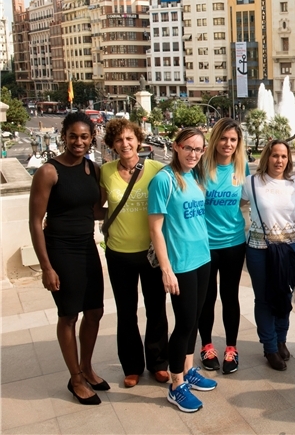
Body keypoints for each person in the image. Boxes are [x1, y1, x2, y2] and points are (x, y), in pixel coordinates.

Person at [29, 112, 107, 405]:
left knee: (95, 311)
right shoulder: (49, 172)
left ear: (91, 138)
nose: (78, 141)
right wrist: (46, 267)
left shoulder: (94, 169)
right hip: (61, 250)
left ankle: (86, 367)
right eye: (73, 136)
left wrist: (134, 213)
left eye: (84, 137)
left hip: (87, 247)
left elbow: (96, 211)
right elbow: (36, 221)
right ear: (64, 136)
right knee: (69, 315)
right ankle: (75, 379)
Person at [148, 128, 217, 413]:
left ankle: (188, 370)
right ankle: (176, 385)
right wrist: (166, 269)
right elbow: (155, 228)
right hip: (181, 264)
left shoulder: (196, 176)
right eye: (188, 148)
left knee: (196, 318)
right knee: (184, 323)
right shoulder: (163, 180)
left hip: (202, 258)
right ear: (176, 147)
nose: (193, 154)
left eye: (198, 150)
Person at [99, 119, 169, 388]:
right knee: (126, 312)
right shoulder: (105, 172)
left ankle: (158, 363)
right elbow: (96, 206)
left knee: (156, 309)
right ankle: (132, 366)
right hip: (119, 253)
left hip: (151, 253)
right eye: (119, 140)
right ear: (112, 145)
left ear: (139, 140)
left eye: (129, 138)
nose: (125, 144)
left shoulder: (156, 169)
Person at [242, 140, 295, 371]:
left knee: (285, 296)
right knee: (265, 299)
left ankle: (281, 339)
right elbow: (235, 206)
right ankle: (269, 347)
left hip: (289, 250)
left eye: (284, 156)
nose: (279, 161)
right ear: (266, 156)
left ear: (289, 159)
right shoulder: (251, 182)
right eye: (275, 156)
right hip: (260, 250)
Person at [197, 118, 249, 375]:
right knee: (206, 298)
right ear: (215, 139)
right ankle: (206, 346)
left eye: (233, 140)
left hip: (234, 243)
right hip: (205, 245)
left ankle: (231, 347)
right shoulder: (202, 168)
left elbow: (245, 201)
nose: (228, 144)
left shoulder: (242, 168)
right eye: (224, 138)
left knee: (230, 297)